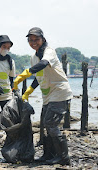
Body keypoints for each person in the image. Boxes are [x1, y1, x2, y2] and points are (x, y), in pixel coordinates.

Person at [13, 27, 73, 165]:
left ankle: (64, 157)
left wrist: (25, 73)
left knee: (51, 124)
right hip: (48, 95)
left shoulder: (49, 51)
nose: (34, 42)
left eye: (36, 39)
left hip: (59, 91)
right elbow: (38, 77)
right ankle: (49, 155)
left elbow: (44, 64)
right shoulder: (34, 57)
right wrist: (28, 91)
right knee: (47, 124)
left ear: (43, 39)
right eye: (31, 40)